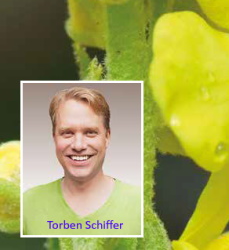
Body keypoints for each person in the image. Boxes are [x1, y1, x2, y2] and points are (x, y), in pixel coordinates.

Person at [23, 87, 141, 236]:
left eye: (90, 132)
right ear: (54, 138)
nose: (78, 145)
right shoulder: (29, 203)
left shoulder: (139, 202)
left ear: (107, 137)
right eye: (67, 133)